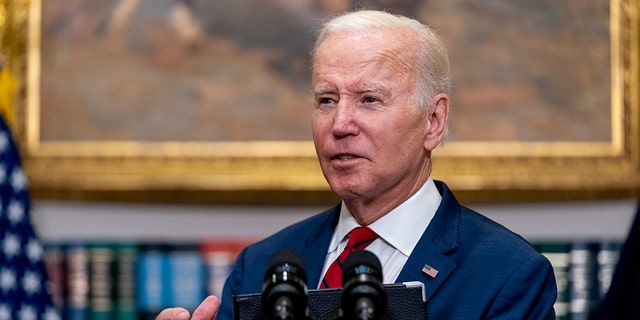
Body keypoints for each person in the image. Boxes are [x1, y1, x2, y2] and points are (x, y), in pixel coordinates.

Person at [157, 10, 557, 320]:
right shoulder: (260, 265)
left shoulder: (507, 274)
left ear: (433, 122)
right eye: (326, 100)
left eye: (369, 99)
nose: (340, 125)